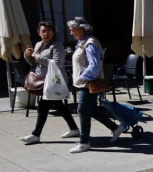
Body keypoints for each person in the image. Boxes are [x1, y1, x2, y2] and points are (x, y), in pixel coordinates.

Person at [68, 17, 126, 153]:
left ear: (80, 29)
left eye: (72, 30)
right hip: (86, 83)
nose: (70, 33)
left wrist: (82, 78)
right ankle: (116, 128)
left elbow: (94, 66)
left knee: (82, 111)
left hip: (89, 84)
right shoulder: (82, 42)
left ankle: (84, 142)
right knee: (92, 110)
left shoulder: (90, 43)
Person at [18, 21, 80, 145]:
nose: (46, 33)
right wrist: (27, 55)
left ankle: (36, 134)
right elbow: (33, 63)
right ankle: (74, 129)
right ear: (39, 32)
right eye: (43, 31)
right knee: (59, 106)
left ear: (53, 32)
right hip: (42, 80)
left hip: (54, 81)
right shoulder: (38, 45)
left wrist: (38, 57)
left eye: (49, 31)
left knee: (42, 107)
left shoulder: (57, 45)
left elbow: (57, 64)